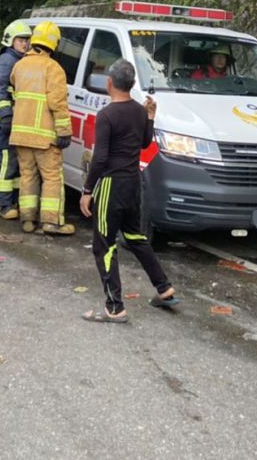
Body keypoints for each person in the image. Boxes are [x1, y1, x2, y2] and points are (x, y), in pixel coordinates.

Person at [79, 59, 178, 322]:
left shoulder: (107, 115)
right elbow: (145, 142)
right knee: (135, 237)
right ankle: (164, 288)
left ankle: (115, 307)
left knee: (104, 245)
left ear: (109, 83)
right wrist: (150, 117)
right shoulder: (138, 110)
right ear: (133, 84)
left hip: (111, 184)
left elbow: (100, 158)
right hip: (134, 182)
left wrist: (88, 190)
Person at [9, 20, 74, 234]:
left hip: (20, 134)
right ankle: (51, 222)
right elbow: (58, 103)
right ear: (54, 43)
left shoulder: (19, 66)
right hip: (45, 137)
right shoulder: (53, 68)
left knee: (27, 175)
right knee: (52, 177)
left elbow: (14, 87)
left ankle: (27, 220)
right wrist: (64, 131)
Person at [0, 20, 33, 217]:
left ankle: (11, 200)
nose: (25, 44)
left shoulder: (16, 59)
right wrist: (6, 114)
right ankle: (3, 204)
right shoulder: (8, 60)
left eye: (27, 40)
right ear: (10, 41)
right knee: (6, 161)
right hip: (2, 121)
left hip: (11, 120)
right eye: (21, 40)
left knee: (13, 161)